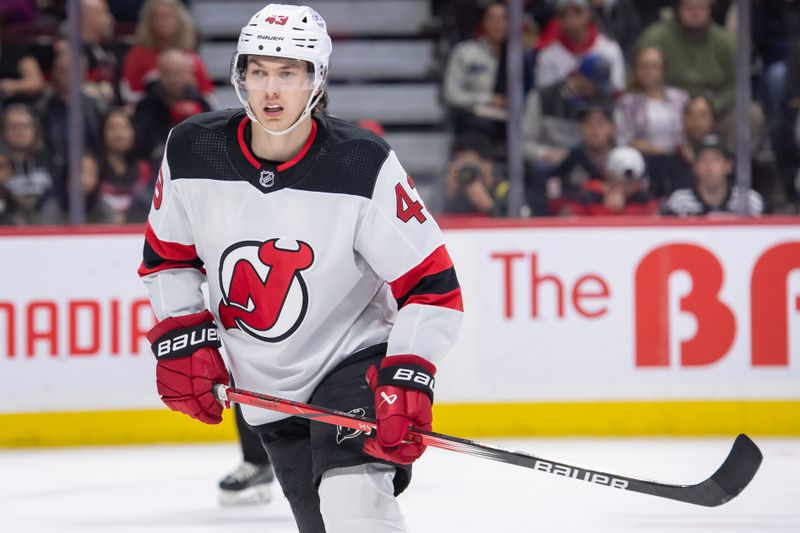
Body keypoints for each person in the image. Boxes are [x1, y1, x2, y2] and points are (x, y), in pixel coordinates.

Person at [137, 4, 463, 533]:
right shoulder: (193, 149)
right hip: (266, 389)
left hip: (353, 359)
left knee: (354, 508)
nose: (271, 90)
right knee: (320, 524)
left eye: (288, 73)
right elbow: (168, 257)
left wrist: (409, 371)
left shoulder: (362, 163)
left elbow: (432, 286)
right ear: (240, 75)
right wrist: (183, 334)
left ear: (317, 79)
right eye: (259, 72)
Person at [120, 0, 214, 103]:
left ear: (179, 20)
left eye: (168, 16)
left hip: (188, 113)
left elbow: (208, 97)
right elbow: (128, 94)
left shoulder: (192, 57)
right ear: (149, 21)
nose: (163, 22)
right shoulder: (138, 55)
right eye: (157, 17)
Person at [535, 0, 626, 91]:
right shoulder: (547, 55)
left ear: (589, 13)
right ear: (557, 20)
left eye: (577, 12)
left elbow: (617, 90)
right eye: (563, 15)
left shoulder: (609, 49)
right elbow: (544, 96)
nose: (571, 20)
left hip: (601, 103)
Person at [614, 46, 689, 157]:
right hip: (642, 157)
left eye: (654, 66)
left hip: (679, 158)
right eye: (644, 67)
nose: (649, 72)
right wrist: (661, 151)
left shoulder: (681, 98)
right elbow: (623, 139)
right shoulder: (627, 102)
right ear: (636, 70)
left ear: (663, 69)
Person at [663, 135, 764, 216]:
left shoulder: (749, 201)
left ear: (728, 166)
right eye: (703, 160)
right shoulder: (679, 202)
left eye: (716, 159)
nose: (709, 166)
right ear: (694, 167)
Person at [565, 145, 658, 215]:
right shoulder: (588, 195)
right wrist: (607, 209)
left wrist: (621, 210)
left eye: (630, 181)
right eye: (619, 180)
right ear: (608, 175)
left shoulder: (644, 200)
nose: (624, 186)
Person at [443, 132, 507, 216]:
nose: (464, 172)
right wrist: (446, 195)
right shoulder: (451, 192)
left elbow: (519, 225)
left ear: (487, 164)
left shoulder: (506, 190)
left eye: (469, 166)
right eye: (460, 166)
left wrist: (490, 207)